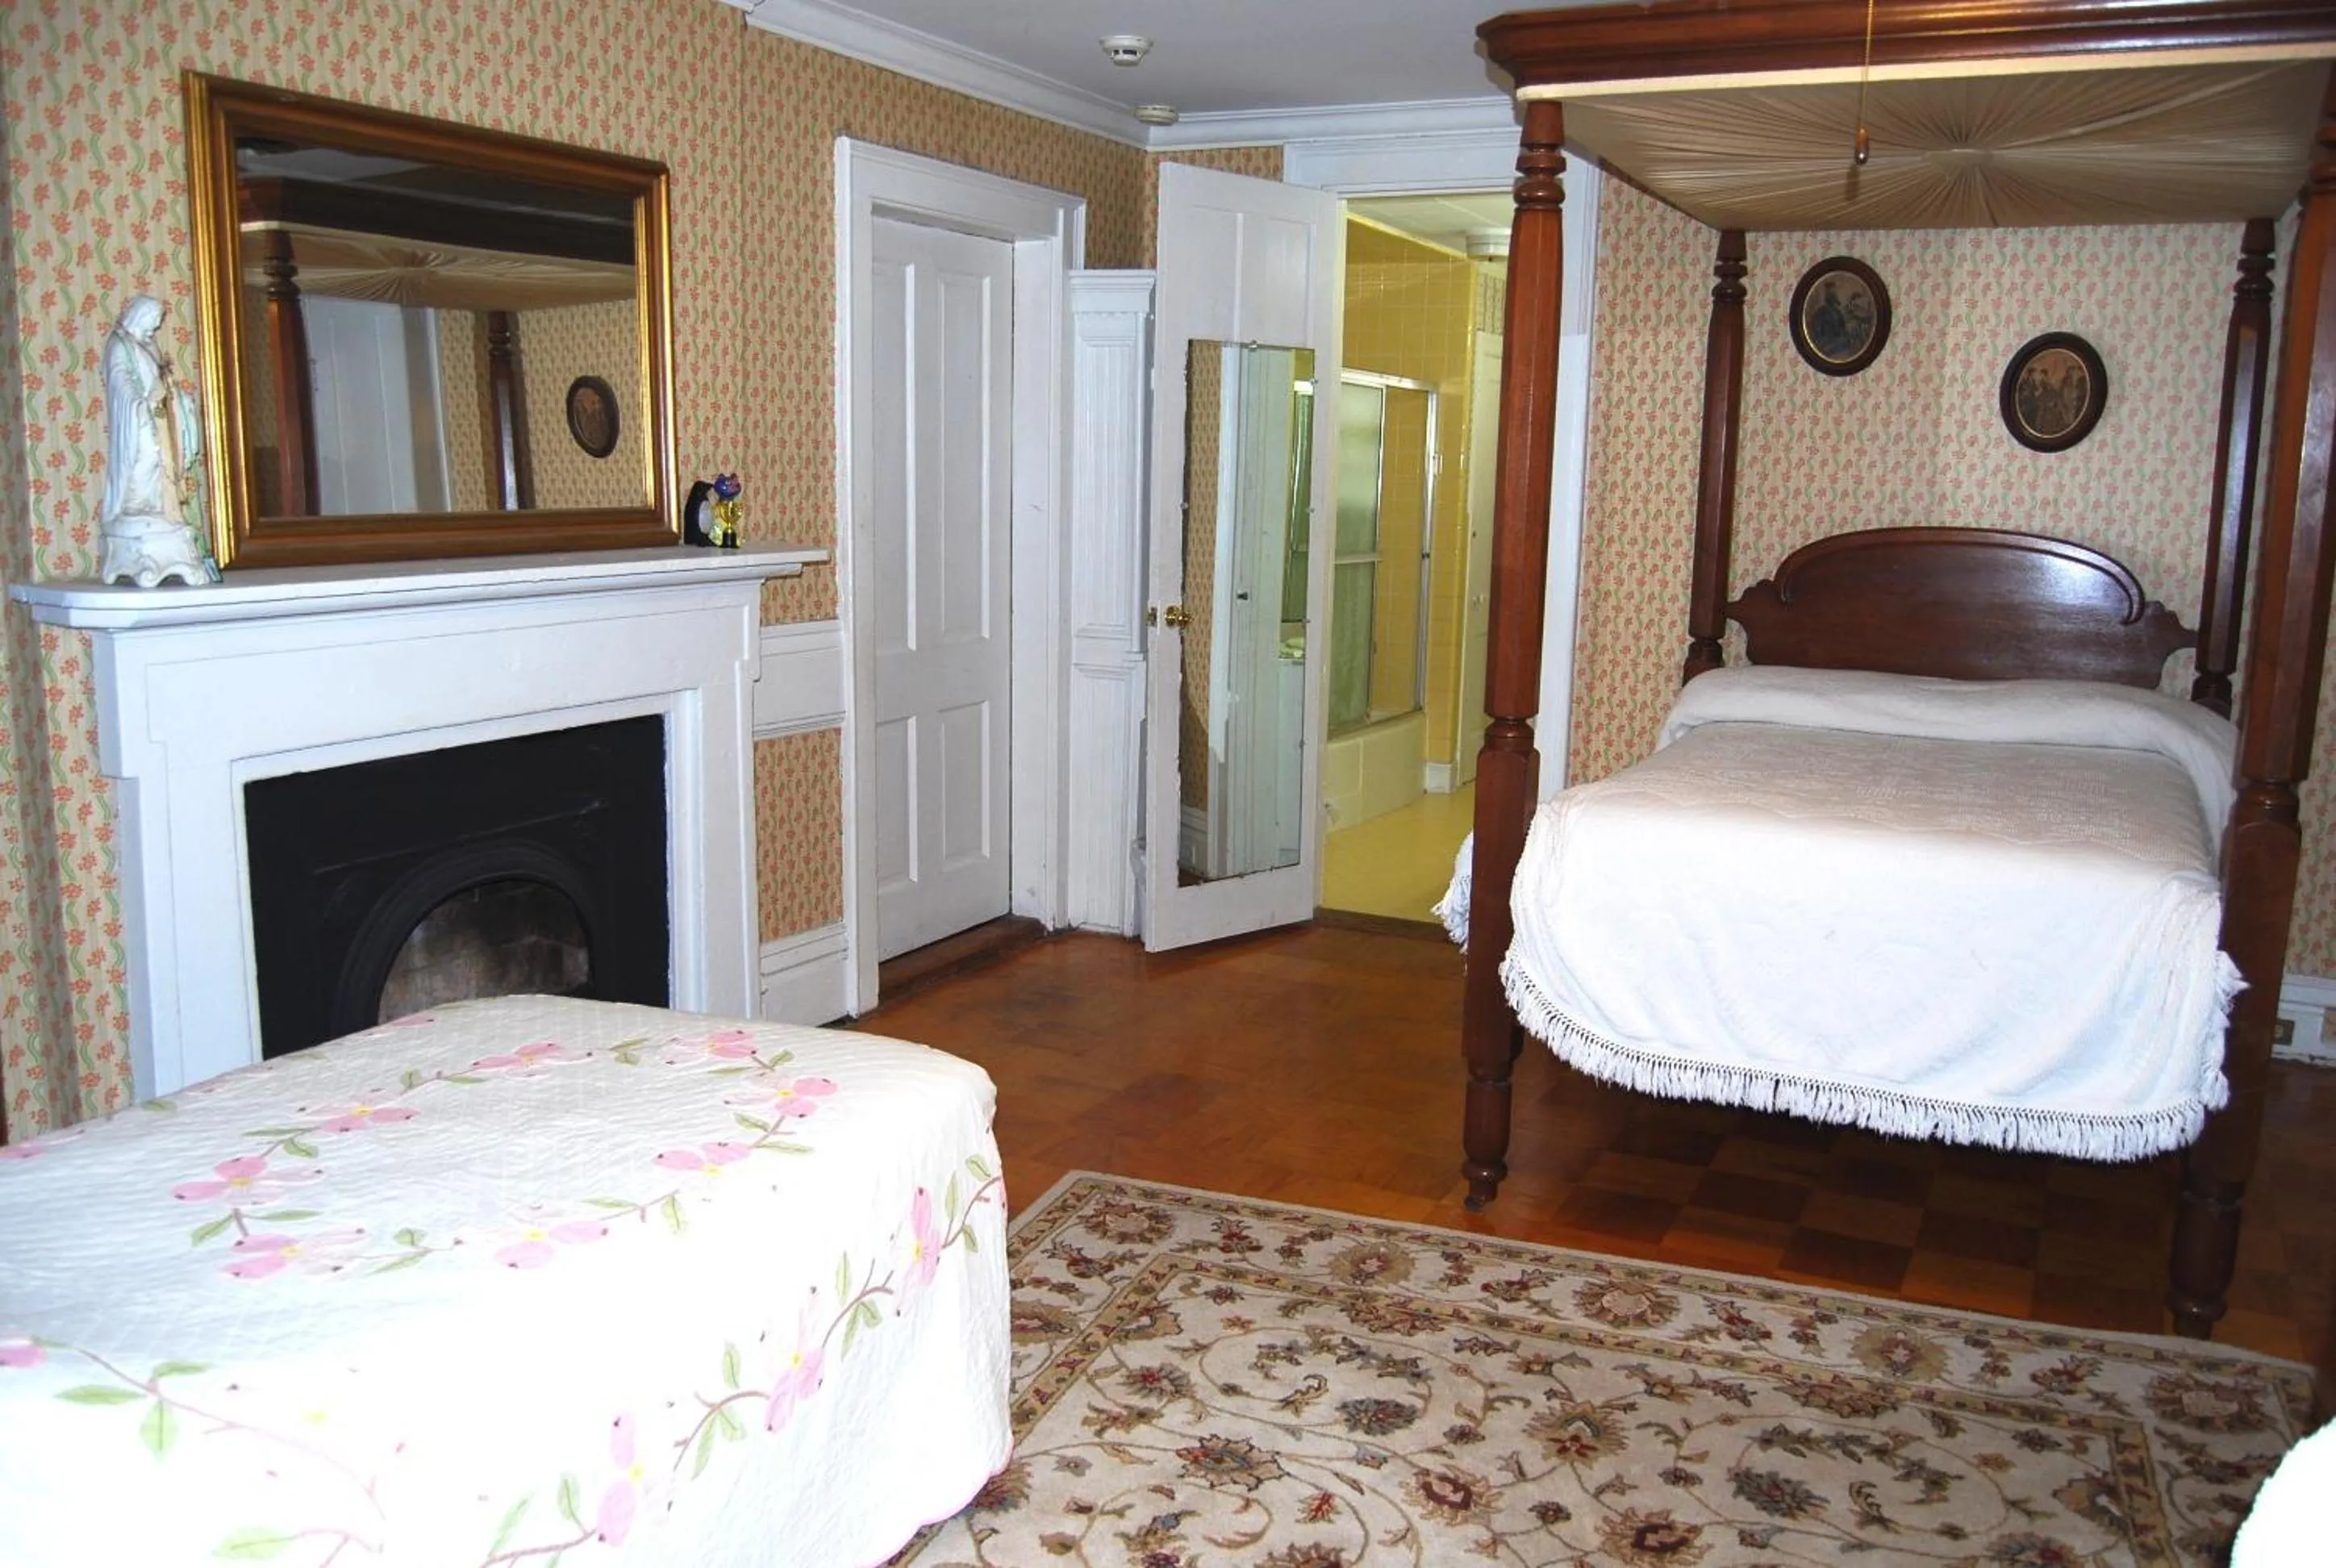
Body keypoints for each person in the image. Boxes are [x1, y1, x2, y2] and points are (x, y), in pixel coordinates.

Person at [98, 294, 219, 586]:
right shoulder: (120, 345)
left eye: (157, 322)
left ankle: (154, 506)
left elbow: (161, 378)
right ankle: (137, 504)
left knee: (160, 462)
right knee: (143, 458)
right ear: (138, 316)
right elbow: (119, 380)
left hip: (156, 415)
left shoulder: (148, 344)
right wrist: (140, 402)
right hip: (138, 415)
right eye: (152, 321)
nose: (155, 326)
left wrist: (175, 396)